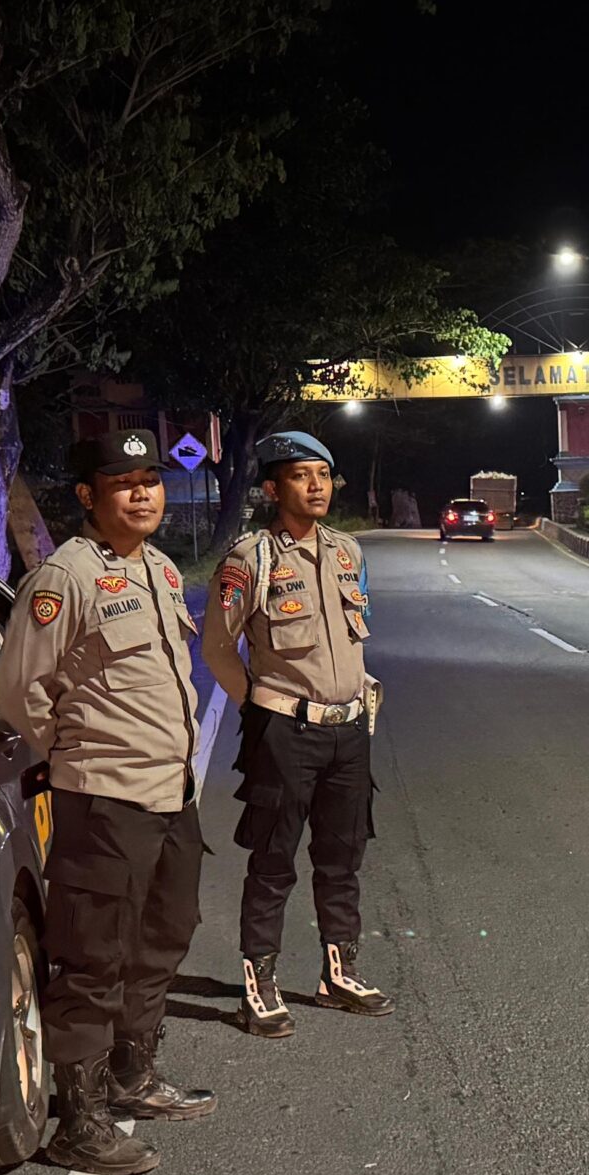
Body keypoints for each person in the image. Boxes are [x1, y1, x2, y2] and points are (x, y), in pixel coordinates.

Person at [0, 428, 216, 1175]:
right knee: (92, 956)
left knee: (164, 933)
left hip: (169, 792)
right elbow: (18, 689)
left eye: (150, 478)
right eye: (123, 482)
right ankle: (78, 1119)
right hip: (104, 797)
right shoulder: (65, 580)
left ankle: (133, 1074)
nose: (143, 492)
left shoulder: (155, 566)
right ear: (88, 496)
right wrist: (77, 751)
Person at [203, 430, 393, 1038]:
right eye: (301, 475)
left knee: (343, 857)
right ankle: (259, 985)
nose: (316, 486)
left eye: (324, 474)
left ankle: (338, 976)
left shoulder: (348, 552)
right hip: (285, 730)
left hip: (349, 731)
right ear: (271, 488)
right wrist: (259, 709)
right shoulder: (251, 559)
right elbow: (217, 647)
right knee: (274, 861)